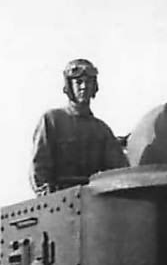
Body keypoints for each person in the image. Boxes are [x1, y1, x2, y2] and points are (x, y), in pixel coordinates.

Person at [29, 58, 128, 195]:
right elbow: (40, 167)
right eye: (79, 82)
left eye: (89, 82)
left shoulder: (101, 130)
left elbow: (120, 171)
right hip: (60, 200)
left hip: (93, 199)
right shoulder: (52, 120)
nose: (84, 87)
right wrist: (46, 194)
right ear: (69, 86)